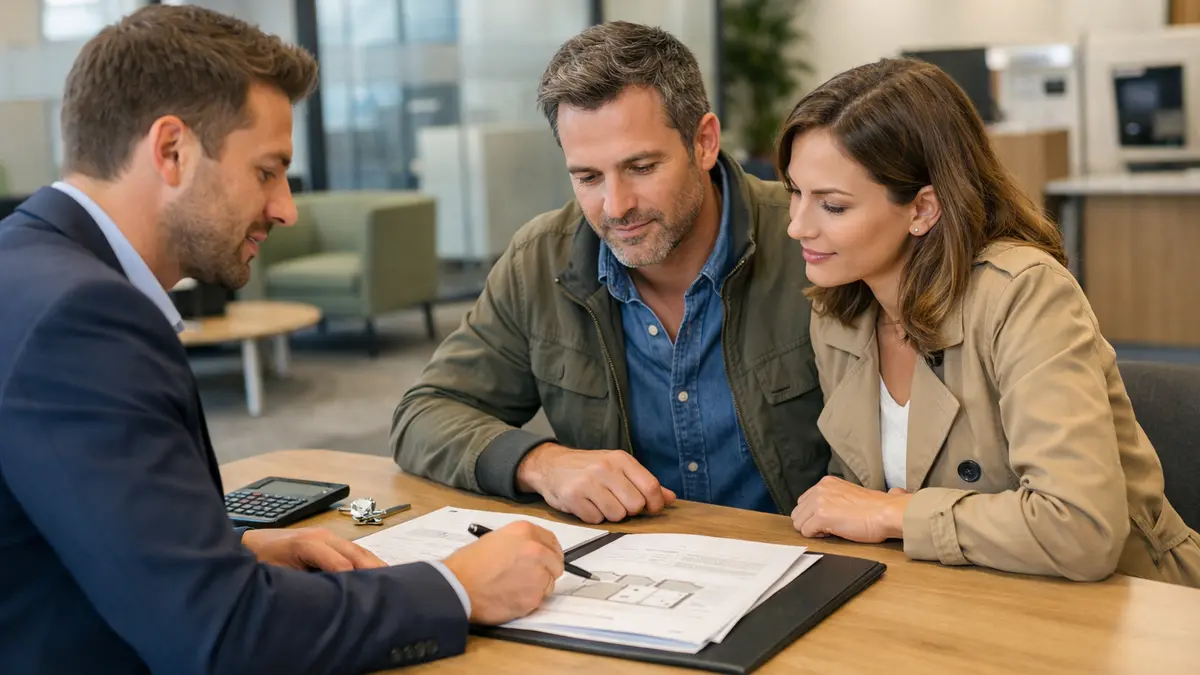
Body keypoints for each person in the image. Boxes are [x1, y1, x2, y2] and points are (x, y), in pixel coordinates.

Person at [0, 6, 565, 674]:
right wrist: (456, 586)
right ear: (172, 150)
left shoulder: (25, 266)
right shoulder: (84, 317)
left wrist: (231, 552)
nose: (286, 208)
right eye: (267, 171)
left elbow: (54, 537)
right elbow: (222, 636)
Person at [781, 57, 1200, 587]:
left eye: (832, 206)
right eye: (795, 192)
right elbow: (854, 505)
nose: (797, 226)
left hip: (1129, 611)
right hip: (962, 603)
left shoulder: (1023, 294)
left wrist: (894, 514)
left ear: (922, 210)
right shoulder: (839, 312)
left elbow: (1081, 532)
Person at [392, 21, 828, 524]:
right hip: (628, 575)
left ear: (704, 142)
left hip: (810, 566)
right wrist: (542, 463)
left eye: (641, 167)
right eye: (588, 177)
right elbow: (424, 415)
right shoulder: (540, 260)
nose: (616, 206)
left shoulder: (811, 241)